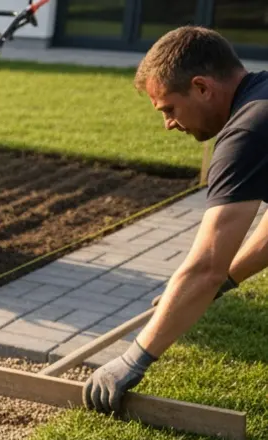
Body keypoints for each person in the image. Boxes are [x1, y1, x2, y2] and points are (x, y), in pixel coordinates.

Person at [83, 26, 268, 414]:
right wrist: (228, 280)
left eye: (168, 109)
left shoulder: (247, 134)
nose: (168, 124)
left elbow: (204, 268)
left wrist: (133, 359)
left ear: (201, 87)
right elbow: (216, 273)